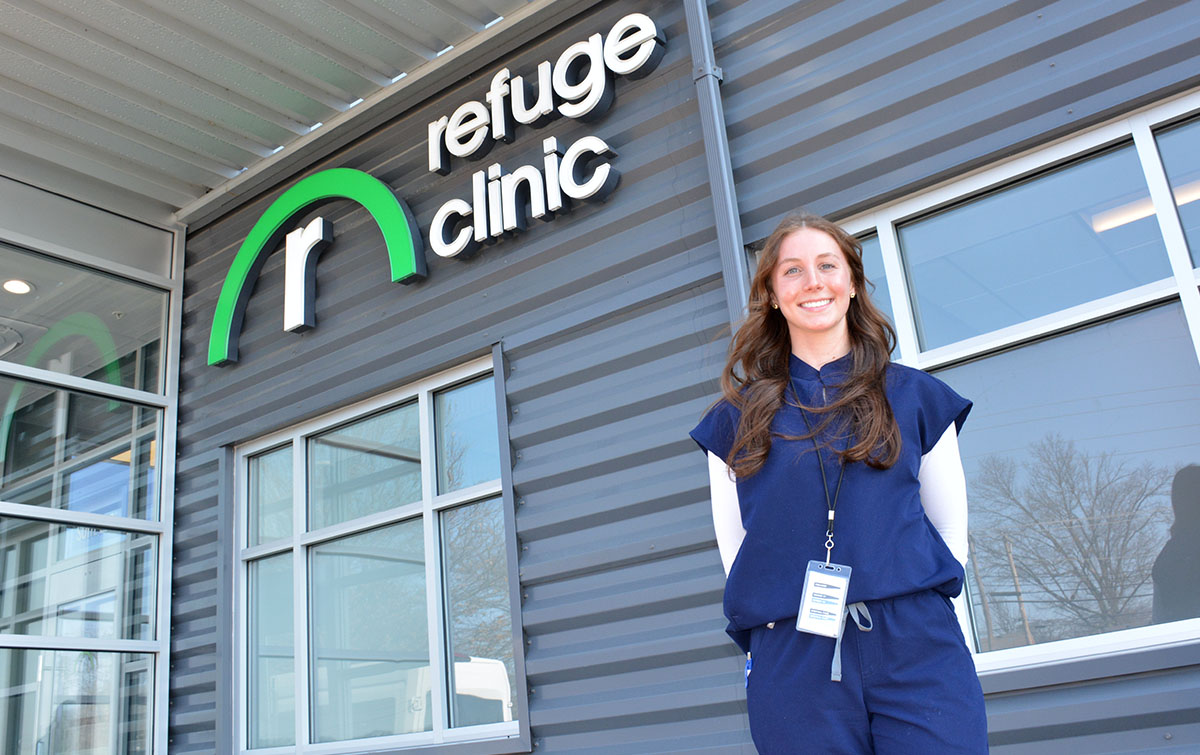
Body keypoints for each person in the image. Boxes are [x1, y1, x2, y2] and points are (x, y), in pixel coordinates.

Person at [690, 212, 989, 754]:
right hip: (794, 654)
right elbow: (738, 551)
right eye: (793, 271)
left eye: (827, 265)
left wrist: (910, 608)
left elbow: (949, 530)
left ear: (851, 283)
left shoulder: (917, 398)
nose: (813, 282)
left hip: (916, 645)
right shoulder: (734, 421)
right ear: (773, 296)